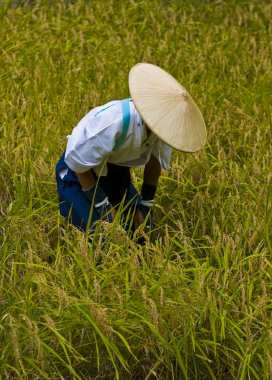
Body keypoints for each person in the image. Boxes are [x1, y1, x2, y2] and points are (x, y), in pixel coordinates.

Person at [56, 63, 207, 236]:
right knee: (96, 234)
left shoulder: (165, 128)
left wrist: (146, 205)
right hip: (78, 172)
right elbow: (78, 164)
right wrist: (102, 205)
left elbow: (154, 163)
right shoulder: (113, 124)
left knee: (138, 231)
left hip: (115, 171)